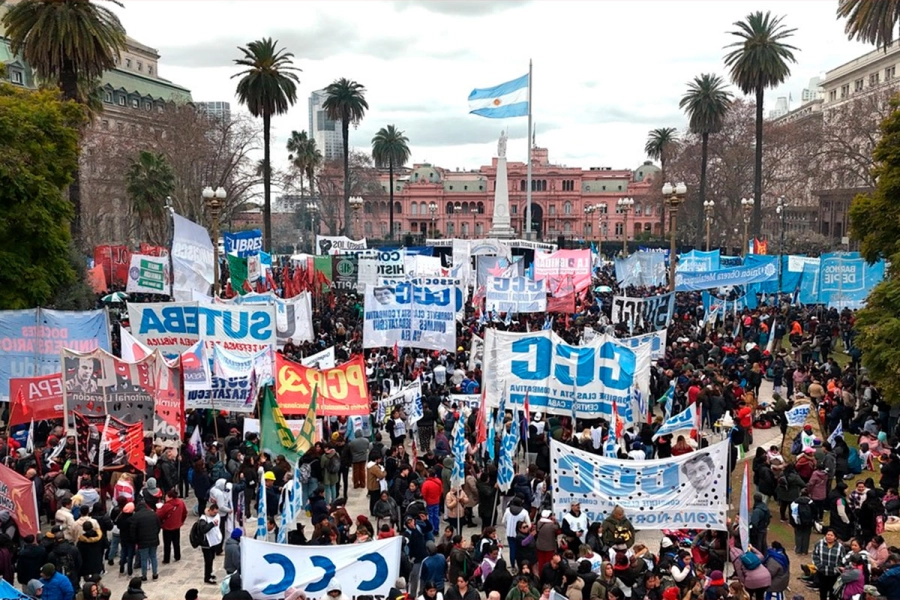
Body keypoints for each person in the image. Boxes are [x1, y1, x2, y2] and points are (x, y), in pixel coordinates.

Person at [812, 529, 847, 600]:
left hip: (834, 574)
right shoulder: (819, 544)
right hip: (822, 573)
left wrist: (838, 568)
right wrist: (819, 566)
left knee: (833, 593)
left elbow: (843, 559)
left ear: (835, 537)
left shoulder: (840, 547)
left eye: (831, 535)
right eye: (828, 535)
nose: (829, 537)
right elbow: (815, 556)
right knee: (822, 592)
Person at [157, 488, 187, 564]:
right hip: (177, 526)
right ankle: (177, 556)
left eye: (166, 497)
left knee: (167, 544)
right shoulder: (181, 503)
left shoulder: (167, 506)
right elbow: (184, 513)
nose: (165, 498)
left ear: (170, 497)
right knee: (176, 542)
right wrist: (180, 521)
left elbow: (159, 515)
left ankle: (166, 559)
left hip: (167, 527)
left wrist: (158, 509)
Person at [199, 503, 222, 585]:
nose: (215, 514)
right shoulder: (203, 519)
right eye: (214, 512)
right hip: (206, 543)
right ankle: (207, 577)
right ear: (210, 510)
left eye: (216, 512)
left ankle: (210, 573)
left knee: (212, 558)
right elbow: (204, 530)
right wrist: (212, 524)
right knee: (208, 560)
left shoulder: (216, 515)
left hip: (214, 542)